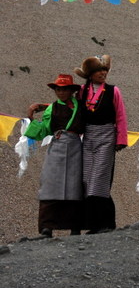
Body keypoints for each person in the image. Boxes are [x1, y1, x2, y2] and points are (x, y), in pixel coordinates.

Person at [23, 74, 85, 237]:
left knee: (74, 186)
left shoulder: (81, 106)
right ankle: (46, 227)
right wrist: (31, 119)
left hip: (75, 147)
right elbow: (45, 129)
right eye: (58, 89)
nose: (61, 92)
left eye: (64, 89)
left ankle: (75, 226)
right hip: (57, 145)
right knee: (50, 184)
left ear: (71, 91)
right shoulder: (52, 108)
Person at [74, 54, 128, 234]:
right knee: (86, 179)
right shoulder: (82, 91)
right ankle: (93, 224)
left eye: (104, 70)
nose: (103, 73)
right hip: (88, 136)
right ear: (90, 74)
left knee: (99, 180)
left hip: (106, 136)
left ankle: (104, 224)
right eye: (98, 70)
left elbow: (120, 116)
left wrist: (121, 139)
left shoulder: (114, 91)